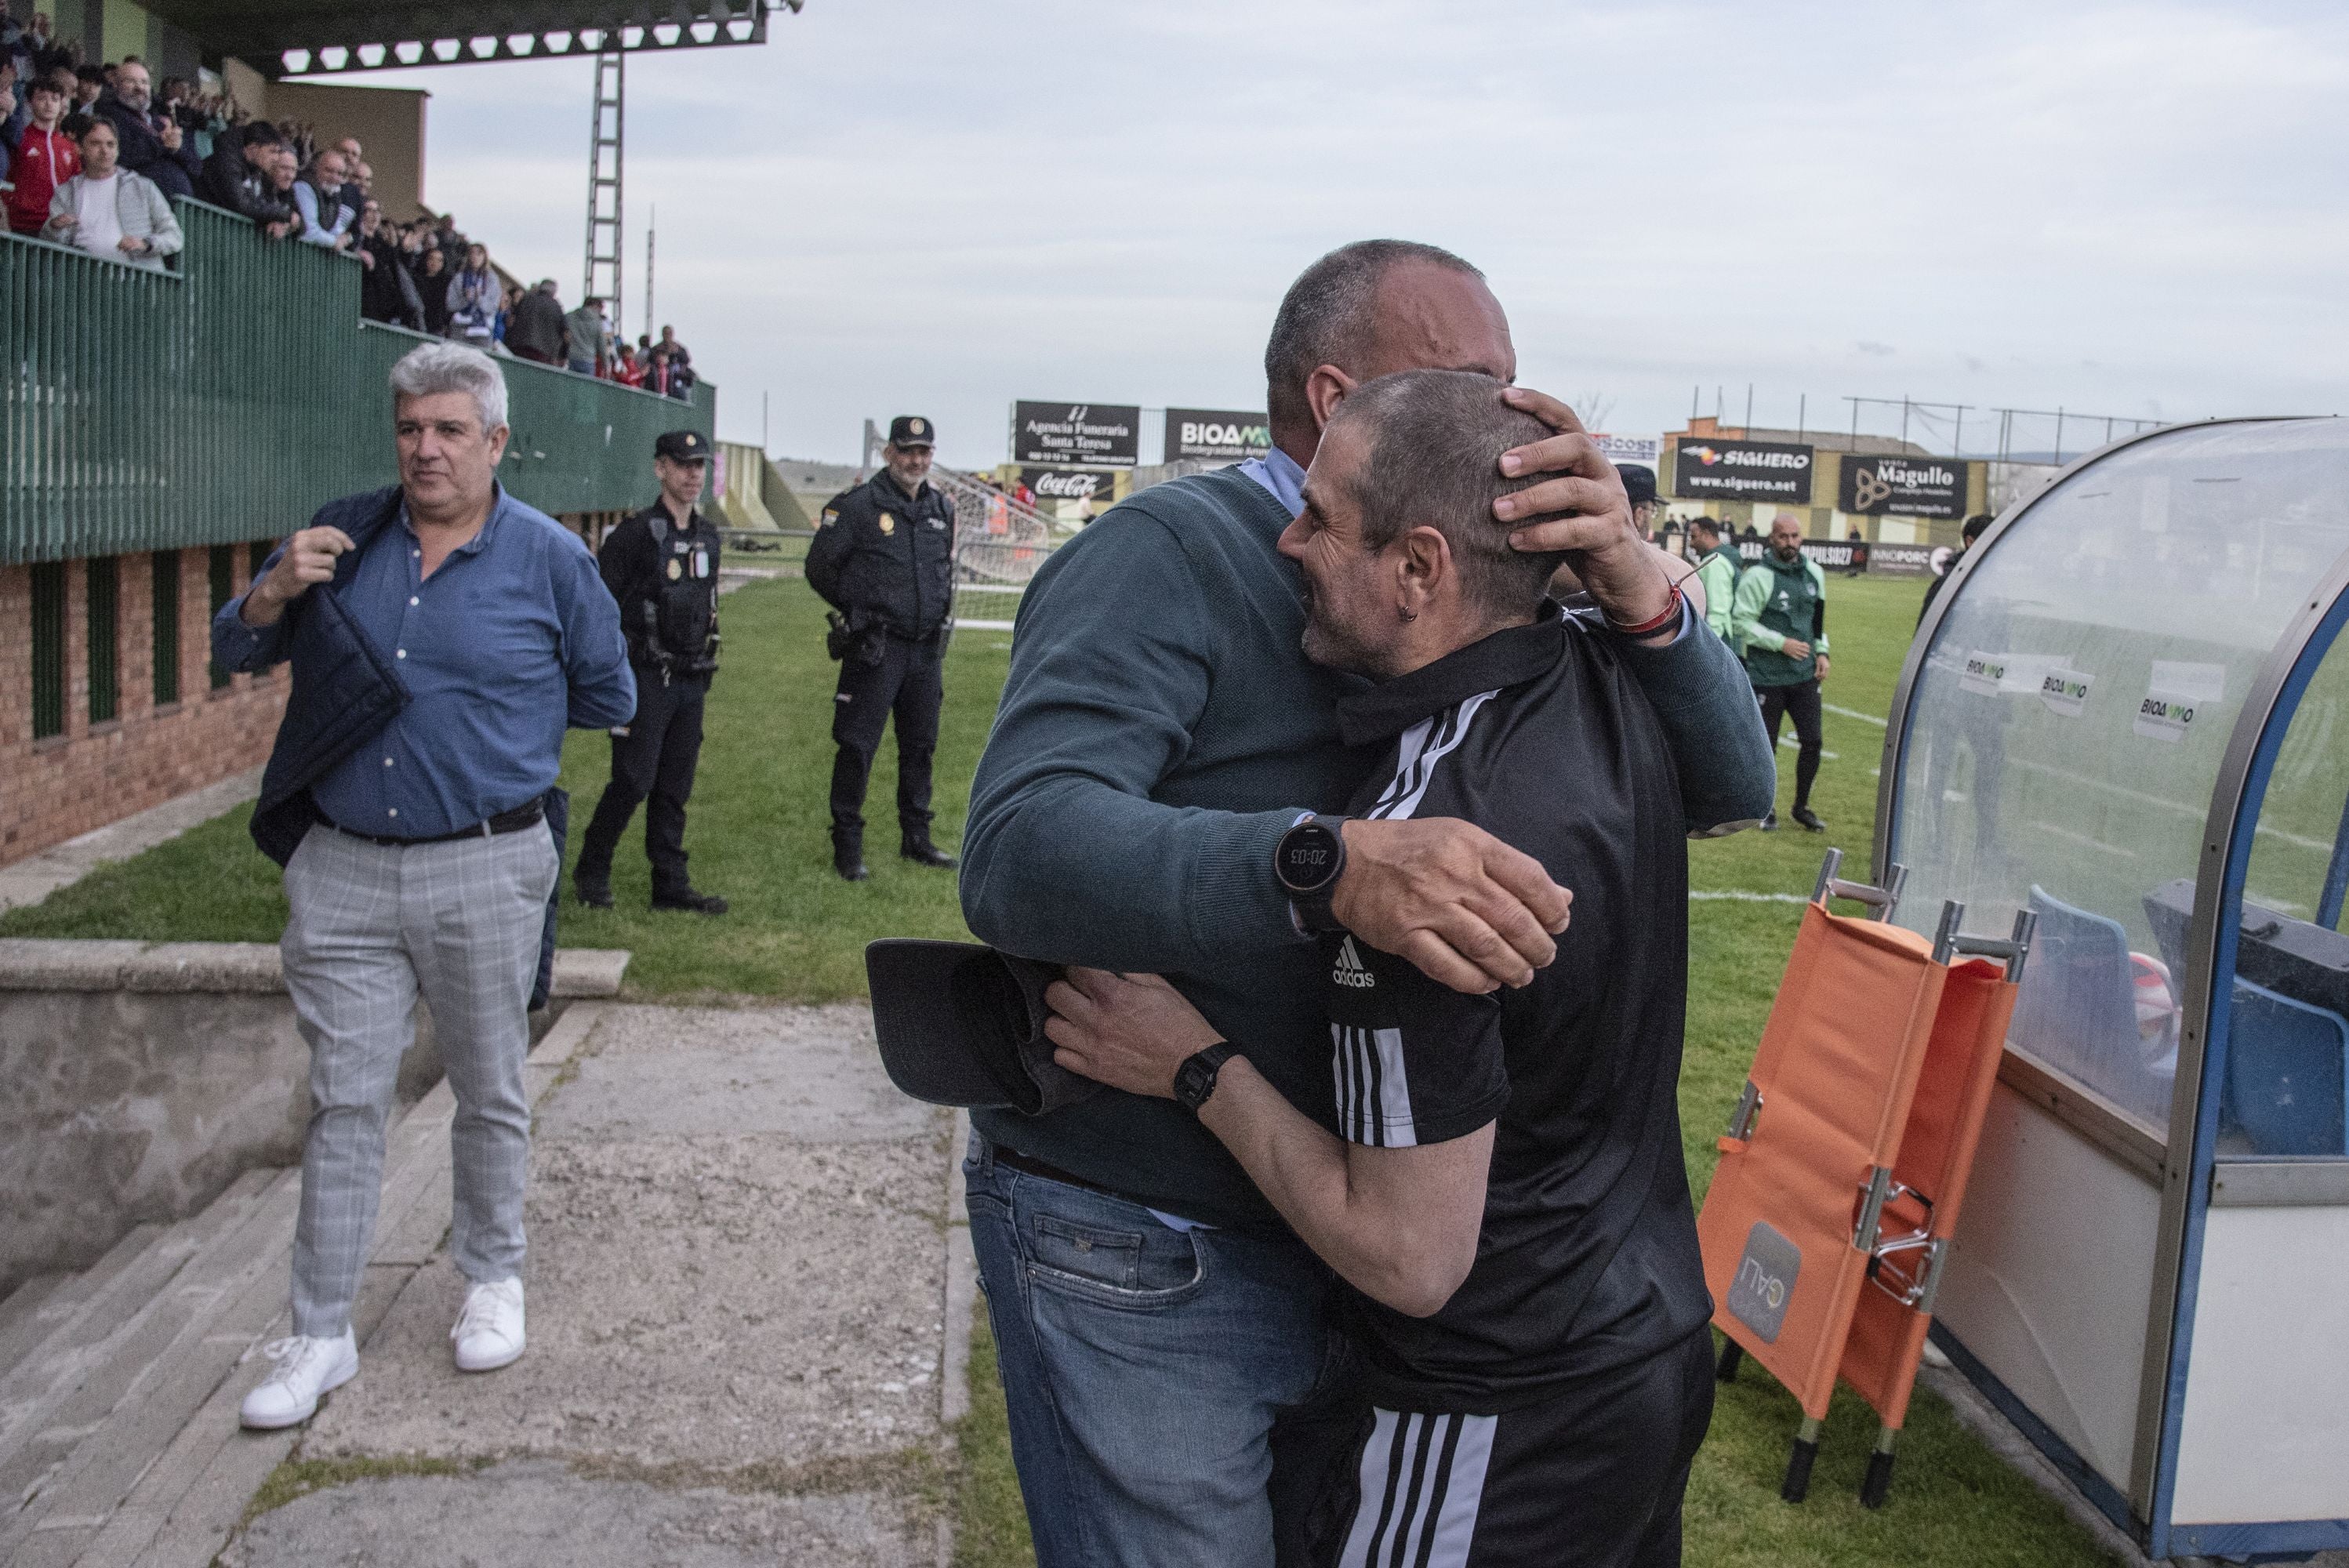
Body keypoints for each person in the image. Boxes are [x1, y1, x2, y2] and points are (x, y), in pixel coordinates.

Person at [955, 238, 1774, 1568]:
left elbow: (1727, 786)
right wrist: (1328, 866)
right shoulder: (1172, 553)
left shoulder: (1509, 555)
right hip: (1162, 1236)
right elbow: (1019, 850)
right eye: (1477, 379)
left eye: (1517, 385)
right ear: (1335, 396)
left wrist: (1631, 577)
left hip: (1381, 1247)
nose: (1521, 418)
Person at [213, 341, 634, 1430]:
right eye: (411, 429)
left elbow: (607, 691)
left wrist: (496, 739)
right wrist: (269, 591)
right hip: (344, 870)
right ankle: (320, 1331)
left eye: (450, 430)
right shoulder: (340, 539)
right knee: (343, 1100)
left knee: (489, 1085)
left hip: (486, 864)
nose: (426, 449)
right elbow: (234, 648)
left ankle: (492, 1278)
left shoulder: (548, 559)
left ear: (495, 442)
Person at [573, 430, 728, 915]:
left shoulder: (707, 535)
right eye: (682, 465)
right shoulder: (636, 535)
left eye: (699, 466)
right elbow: (599, 605)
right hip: (645, 677)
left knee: (675, 786)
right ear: (660, 469)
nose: (692, 475)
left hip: (690, 676)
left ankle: (670, 884)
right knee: (633, 781)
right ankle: (591, 870)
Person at [806, 415, 960, 881]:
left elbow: (940, 572)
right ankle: (847, 847)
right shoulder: (857, 506)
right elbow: (820, 568)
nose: (916, 460)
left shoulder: (940, 508)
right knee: (857, 747)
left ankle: (917, 839)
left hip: (924, 650)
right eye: (907, 451)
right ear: (889, 453)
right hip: (877, 647)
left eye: (924, 451)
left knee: (920, 747)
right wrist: (859, 610)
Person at [1732, 513, 1831, 833]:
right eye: (1783, 536)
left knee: (1813, 741)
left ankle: (1802, 807)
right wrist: (1780, 643)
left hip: (1804, 676)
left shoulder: (1814, 573)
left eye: (1795, 536)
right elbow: (1740, 622)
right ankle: (1766, 807)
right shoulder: (1758, 576)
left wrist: (1823, 651)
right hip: (1767, 676)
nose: (1790, 542)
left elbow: (1817, 623)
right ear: (1771, 539)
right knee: (1767, 746)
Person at [43, 116, 179, 270]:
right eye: (96, 143)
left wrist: (145, 244)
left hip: (138, 283)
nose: (105, 151)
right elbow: (50, 243)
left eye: (111, 144)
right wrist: (53, 227)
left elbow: (174, 236)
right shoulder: (65, 192)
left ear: (118, 149)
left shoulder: (142, 187)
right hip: (84, 284)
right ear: (79, 148)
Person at [93, 58, 194, 198]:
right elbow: (125, 153)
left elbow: (196, 167)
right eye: (131, 81)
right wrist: (164, 145)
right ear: (115, 85)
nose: (140, 87)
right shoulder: (108, 115)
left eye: (144, 82)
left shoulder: (159, 122)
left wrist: (177, 148)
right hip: (135, 202)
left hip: (179, 209)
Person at [4, 70, 74, 234]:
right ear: (29, 102)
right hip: (23, 226)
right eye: (42, 98)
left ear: (61, 104)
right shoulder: (19, 139)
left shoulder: (68, 146)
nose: (49, 104)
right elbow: (6, 181)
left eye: (55, 99)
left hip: (60, 227)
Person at [198, 119, 292, 237]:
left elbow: (261, 204)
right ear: (253, 149)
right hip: (205, 231)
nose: (276, 158)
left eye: (278, 152)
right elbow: (241, 205)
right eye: (272, 151)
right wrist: (284, 215)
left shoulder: (257, 168)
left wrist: (276, 219)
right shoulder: (226, 163)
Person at [1918, 513, 1994, 627]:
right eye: (1992, 542)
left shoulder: (1996, 583)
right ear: (1970, 542)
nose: (1999, 548)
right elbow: (1925, 633)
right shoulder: (1947, 585)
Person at [1687, 516, 1742, 644]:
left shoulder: (1714, 564)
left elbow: (1717, 612)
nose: (1691, 543)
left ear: (1706, 535)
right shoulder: (1724, 558)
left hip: (1718, 639)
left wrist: (1708, 646)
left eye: (1694, 537)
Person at [291, 147, 352, 249]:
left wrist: (345, 238)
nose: (334, 177)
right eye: (329, 171)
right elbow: (309, 231)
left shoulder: (335, 193)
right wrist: (334, 242)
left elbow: (335, 229)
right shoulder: (304, 186)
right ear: (317, 169)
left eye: (340, 173)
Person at [445, 242, 499, 346]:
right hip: (460, 326)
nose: (475, 257)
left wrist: (480, 298)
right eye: (472, 253)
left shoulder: (492, 280)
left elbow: (493, 306)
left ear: (485, 257)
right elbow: (450, 304)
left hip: (483, 330)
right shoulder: (459, 278)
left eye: (479, 254)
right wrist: (465, 299)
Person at [506, 278, 566, 365]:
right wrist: (561, 355)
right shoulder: (556, 307)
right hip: (543, 354)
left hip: (519, 347)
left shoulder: (526, 299)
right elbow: (565, 334)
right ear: (554, 292)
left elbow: (511, 321)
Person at [563, 293, 611, 376]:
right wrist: (606, 364)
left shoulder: (569, 316)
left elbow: (564, 335)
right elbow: (602, 345)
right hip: (588, 360)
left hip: (571, 357)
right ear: (595, 306)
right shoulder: (597, 322)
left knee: (570, 386)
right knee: (585, 387)